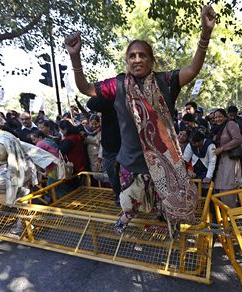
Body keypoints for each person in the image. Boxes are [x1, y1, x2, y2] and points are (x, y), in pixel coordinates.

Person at [65, 5, 216, 237]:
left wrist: (205, 35)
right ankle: (126, 221)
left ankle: (170, 228)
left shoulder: (166, 81)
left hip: (166, 162)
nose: (137, 59)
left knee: (166, 204)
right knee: (130, 201)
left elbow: (192, 69)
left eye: (142, 55)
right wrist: (75, 57)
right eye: (132, 56)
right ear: (126, 61)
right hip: (131, 162)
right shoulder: (116, 86)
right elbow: (85, 88)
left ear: (151, 60)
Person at [213, 109, 242, 208]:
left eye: (220, 116)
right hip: (220, 161)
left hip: (230, 159)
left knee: (229, 188)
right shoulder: (217, 128)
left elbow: (238, 139)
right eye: (216, 117)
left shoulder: (230, 124)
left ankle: (232, 214)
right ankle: (226, 215)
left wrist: (222, 148)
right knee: (222, 188)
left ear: (225, 116)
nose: (217, 119)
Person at [182, 130, 217, 196]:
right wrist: (189, 171)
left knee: (206, 194)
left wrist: (208, 176)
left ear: (201, 140)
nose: (193, 145)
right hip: (195, 171)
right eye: (192, 143)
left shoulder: (210, 145)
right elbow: (185, 160)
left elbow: (212, 162)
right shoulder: (191, 145)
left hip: (206, 172)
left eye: (195, 143)